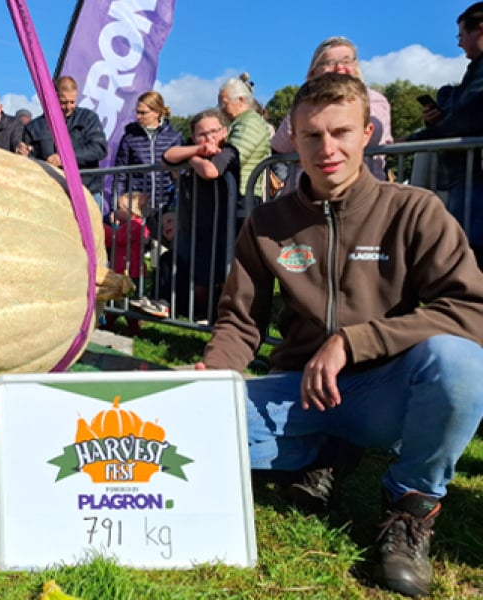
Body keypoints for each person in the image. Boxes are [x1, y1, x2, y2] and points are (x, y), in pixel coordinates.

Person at [196, 73, 483, 597]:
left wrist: (355, 341)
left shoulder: (414, 210)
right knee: (189, 424)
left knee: (461, 364)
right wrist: (213, 376)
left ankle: (409, 505)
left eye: (341, 132)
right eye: (312, 136)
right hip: (298, 390)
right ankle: (326, 450)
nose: (327, 149)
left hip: (382, 389)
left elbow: (471, 311)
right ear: (294, 139)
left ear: (367, 132)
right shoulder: (266, 223)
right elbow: (240, 322)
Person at [407, 3, 483, 267]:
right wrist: (440, 120)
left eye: (461, 36)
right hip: (466, 174)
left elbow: (470, 117)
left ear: (480, 30)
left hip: (474, 178)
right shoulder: (475, 70)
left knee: (470, 254)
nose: (460, 45)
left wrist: (417, 140)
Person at [271, 36, 393, 189]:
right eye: (330, 63)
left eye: (347, 61)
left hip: (362, 193)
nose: (340, 68)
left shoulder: (374, 100)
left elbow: (374, 136)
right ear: (315, 71)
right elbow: (280, 144)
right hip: (305, 193)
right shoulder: (303, 103)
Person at [159, 109, 240, 320]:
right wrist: (198, 151)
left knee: (221, 276)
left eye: (213, 132)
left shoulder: (229, 151)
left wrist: (192, 159)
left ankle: (222, 318)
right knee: (197, 280)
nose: (209, 138)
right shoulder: (193, 147)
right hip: (192, 225)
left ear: (224, 131)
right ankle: (196, 312)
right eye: (202, 134)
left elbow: (210, 171)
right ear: (194, 136)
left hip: (220, 225)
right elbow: (166, 157)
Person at [16, 76, 108, 214]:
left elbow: (99, 148)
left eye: (72, 102)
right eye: (63, 102)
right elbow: (31, 162)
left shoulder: (89, 119)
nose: (69, 107)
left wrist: (65, 158)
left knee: (91, 235)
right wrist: (24, 155)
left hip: (87, 191)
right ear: (52, 98)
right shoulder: (34, 127)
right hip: (51, 194)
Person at [113, 91, 183, 214]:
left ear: (157, 112)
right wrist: (118, 202)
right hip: (136, 206)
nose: (138, 116)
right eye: (137, 112)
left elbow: (181, 171)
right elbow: (120, 173)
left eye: (143, 112)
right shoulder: (129, 138)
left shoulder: (174, 137)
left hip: (167, 203)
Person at [217, 74, 270, 204]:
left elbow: (233, 158)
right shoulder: (243, 122)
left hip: (242, 196)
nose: (221, 110)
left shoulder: (249, 123)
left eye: (224, 104)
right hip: (238, 195)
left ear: (241, 100)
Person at [102, 192, 149, 335]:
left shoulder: (134, 225)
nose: (115, 211)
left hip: (130, 270)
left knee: (127, 301)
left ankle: (134, 326)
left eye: (119, 208)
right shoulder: (130, 225)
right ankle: (109, 322)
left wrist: (104, 229)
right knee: (117, 298)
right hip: (123, 269)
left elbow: (118, 240)